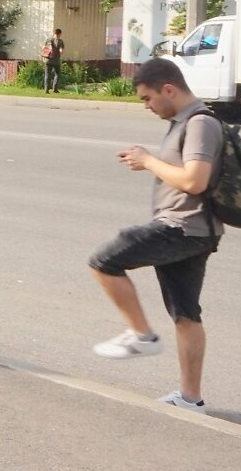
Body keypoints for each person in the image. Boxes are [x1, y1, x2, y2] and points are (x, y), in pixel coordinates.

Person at [88, 57, 225, 412]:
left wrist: (149, 161)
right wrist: (147, 161)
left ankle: (141, 335)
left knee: (104, 261)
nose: (147, 107)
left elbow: (195, 180)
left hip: (181, 227)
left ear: (169, 89)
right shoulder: (187, 122)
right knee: (185, 315)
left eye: (148, 99)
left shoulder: (199, 124)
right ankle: (191, 399)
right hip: (196, 230)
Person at [42, 27, 64, 92]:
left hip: (48, 60)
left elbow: (43, 48)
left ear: (54, 33)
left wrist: (44, 55)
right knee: (58, 74)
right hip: (56, 60)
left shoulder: (48, 39)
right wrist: (60, 50)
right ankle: (55, 89)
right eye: (59, 34)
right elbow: (61, 50)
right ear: (59, 34)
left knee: (47, 75)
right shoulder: (60, 41)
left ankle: (46, 90)